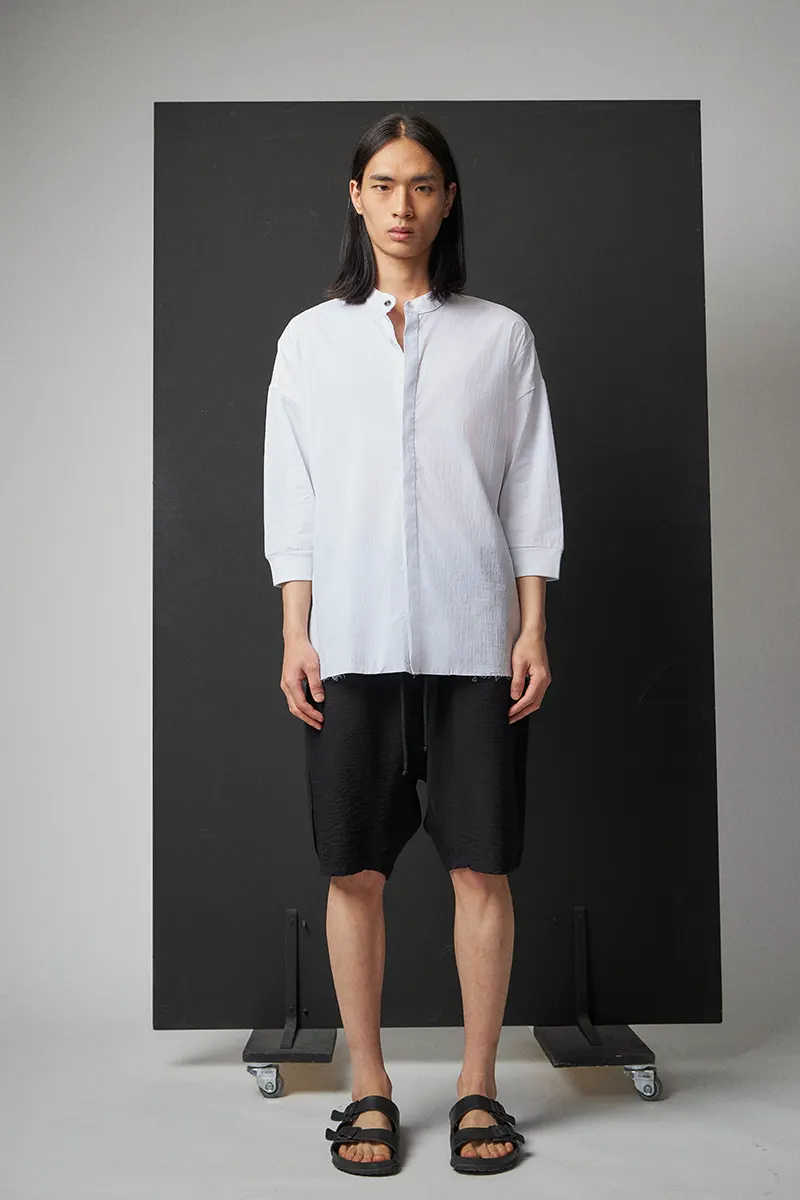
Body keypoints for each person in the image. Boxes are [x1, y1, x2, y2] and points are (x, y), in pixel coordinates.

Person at [262, 111, 564, 1177]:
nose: (402, 205)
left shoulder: (499, 336)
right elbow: (292, 499)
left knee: (481, 867)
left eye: (423, 184)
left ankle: (480, 1085)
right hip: (348, 646)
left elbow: (529, 489)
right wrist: (295, 630)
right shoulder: (310, 340)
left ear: (447, 200)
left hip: (476, 642)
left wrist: (532, 626)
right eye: (384, 184)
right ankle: (370, 1087)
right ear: (356, 197)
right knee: (354, 870)